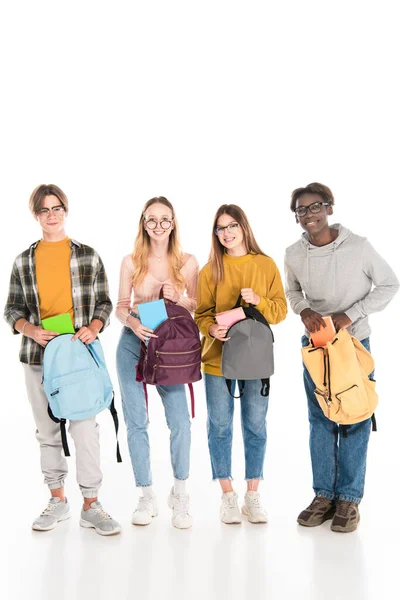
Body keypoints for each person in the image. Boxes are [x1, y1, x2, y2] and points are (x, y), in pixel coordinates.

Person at [3, 184, 121, 535]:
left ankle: (91, 503)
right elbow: (11, 309)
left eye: (56, 208)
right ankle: (58, 499)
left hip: (77, 356)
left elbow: (104, 302)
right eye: (44, 210)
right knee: (47, 431)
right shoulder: (24, 260)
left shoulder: (87, 255)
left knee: (85, 429)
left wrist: (95, 326)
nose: (51, 215)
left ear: (65, 211)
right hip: (38, 357)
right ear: (35, 215)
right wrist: (30, 330)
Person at [284, 182, 399, 533]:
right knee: (320, 419)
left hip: (353, 344)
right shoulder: (293, 253)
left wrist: (350, 315)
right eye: (301, 210)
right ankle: (324, 495)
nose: (309, 215)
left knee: (353, 418)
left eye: (315, 207)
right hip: (317, 346)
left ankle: (348, 498)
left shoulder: (359, 247)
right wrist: (304, 311)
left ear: (330, 208)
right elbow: (292, 291)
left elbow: (389, 284)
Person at [194, 204, 287, 524]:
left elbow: (280, 311)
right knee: (219, 426)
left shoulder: (266, 265)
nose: (227, 233)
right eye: (220, 228)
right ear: (215, 234)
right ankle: (227, 495)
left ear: (244, 227)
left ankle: (253, 494)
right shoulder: (209, 271)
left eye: (232, 226)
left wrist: (260, 301)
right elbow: (200, 314)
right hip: (217, 361)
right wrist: (210, 328)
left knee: (255, 426)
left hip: (255, 359)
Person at [116, 196, 199, 529]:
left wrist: (178, 297)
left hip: (170, 346)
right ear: (144, 223)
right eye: (152, 220)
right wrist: (133, 323)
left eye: (165, 219)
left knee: (180, 421)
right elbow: (121, 305)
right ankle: (146, 495)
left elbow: (195, 305)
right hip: (133, 344)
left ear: (174, 222)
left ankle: (180, 494)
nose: (159, 226)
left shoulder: (188, 262)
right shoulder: (130, 261)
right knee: (136, 421)